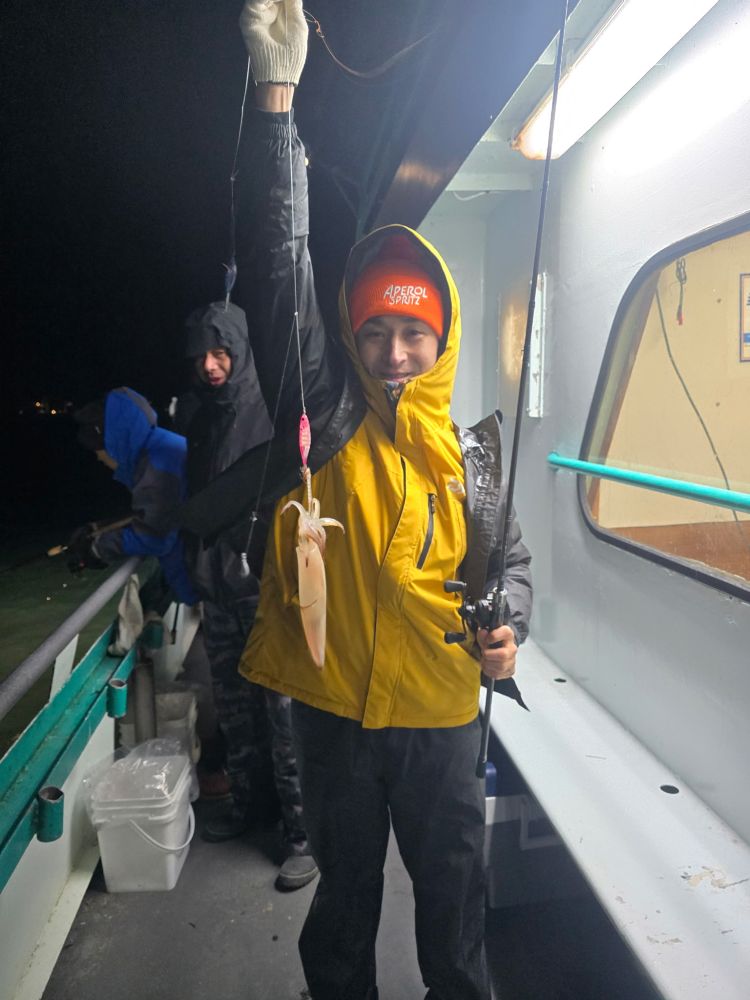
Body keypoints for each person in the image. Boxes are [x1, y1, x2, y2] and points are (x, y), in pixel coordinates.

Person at [180, 3, 532, 996]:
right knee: (342, 915)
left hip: (440, 720)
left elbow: (510, 568)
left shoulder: (470, 455)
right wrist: (275, 101)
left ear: (442, 338)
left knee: (454, 913)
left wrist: (512, 631)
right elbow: (279, 260)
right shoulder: (323, 416)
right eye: (373, 330)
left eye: (412, 333)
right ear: (349, 335)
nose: (392, 350)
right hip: (334, 722)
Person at [179, 299, 318, 892]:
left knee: (281, 714)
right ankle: (248, 805)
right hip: (216, 590)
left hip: (266, 590)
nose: (211, 365)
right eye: (201, 356)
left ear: (238, 351)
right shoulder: (200, 419)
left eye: (221, 352)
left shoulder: (273, 411)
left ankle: (301, 833)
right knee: (235, 712)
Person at [71, 386, 197, 607]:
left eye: (98, 451)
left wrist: (96, 550)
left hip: (210, 588)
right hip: (209, 577)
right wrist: (102, 527)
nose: (99, 459)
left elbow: (154, 536)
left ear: (113, 441)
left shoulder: (156, 465)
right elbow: (157, 510)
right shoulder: (162, 446)